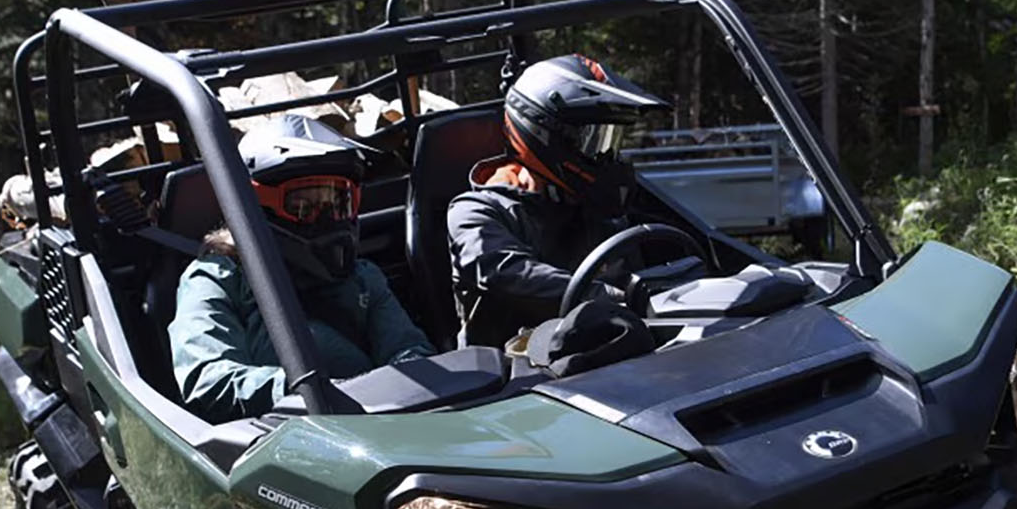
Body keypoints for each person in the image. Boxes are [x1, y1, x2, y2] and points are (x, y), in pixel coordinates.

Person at [170, 115, 432, 421]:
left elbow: (410, 349)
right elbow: (208, 380)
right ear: (255, 206)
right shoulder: (216, 279)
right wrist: (312, 391)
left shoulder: (362, 277)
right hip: (278, 440)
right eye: (304, 206)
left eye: (338, 201)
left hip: (380, 426)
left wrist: (399, 381)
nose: (327, 218)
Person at [447, 54, 670, 345]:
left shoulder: (593, 203)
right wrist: (613, 295)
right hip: (512, 375)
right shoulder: (475, 211)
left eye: (610, 142)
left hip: (607, 352)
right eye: (593, 141)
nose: (604, 156)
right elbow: (507, 275)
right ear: (543, 133)